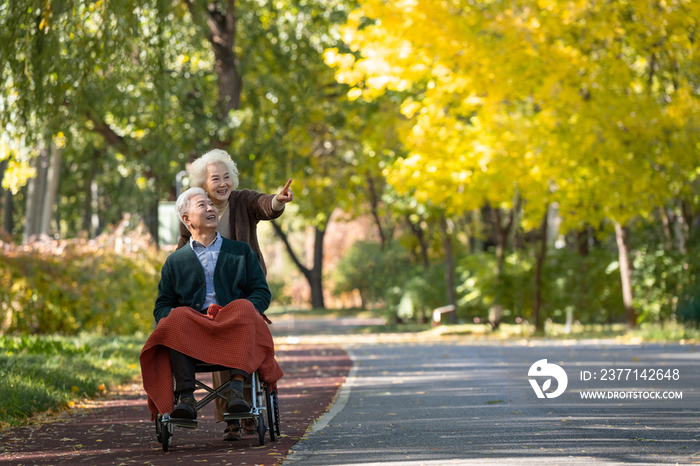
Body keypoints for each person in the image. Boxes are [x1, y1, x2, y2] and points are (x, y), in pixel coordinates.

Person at [177, 148, 293, 440]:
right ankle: (232, 416)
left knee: (238, 325)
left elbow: (263, 204)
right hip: (207, 293)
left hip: (241, 286)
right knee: (214, 334)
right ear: (204, 184)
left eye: (227, 176)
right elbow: (182, 248)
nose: (222, 182)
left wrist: (278, 201)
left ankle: (241, 408)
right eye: (215, 178)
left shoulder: (241, 201)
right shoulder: (194, 209)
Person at [146, 187, 279, 430]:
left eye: (211, 205)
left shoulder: (240, 252)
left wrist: (246, 309)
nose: (210, 208)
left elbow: (261, 292)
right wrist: (176, 317)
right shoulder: (175, 261)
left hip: (232, 325)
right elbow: (162, 305)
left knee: (243, 307)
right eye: (202, 205)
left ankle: (236, 393)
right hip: (193, 330)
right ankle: (186, 397)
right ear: (186, 220)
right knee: (176, 315)